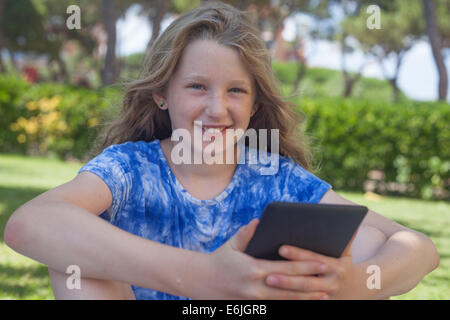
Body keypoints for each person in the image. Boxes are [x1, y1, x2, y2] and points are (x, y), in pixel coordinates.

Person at [4, 2, 439, 300]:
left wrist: (352, 284)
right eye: (197, 87)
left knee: (364, 239)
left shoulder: (274, 175)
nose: (218, 109)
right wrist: (209, 277)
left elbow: (418, 246)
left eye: (236, 91)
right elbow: (28, 225)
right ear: (161, 94)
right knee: (73, 253)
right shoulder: (129, 170)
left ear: (254, 105)